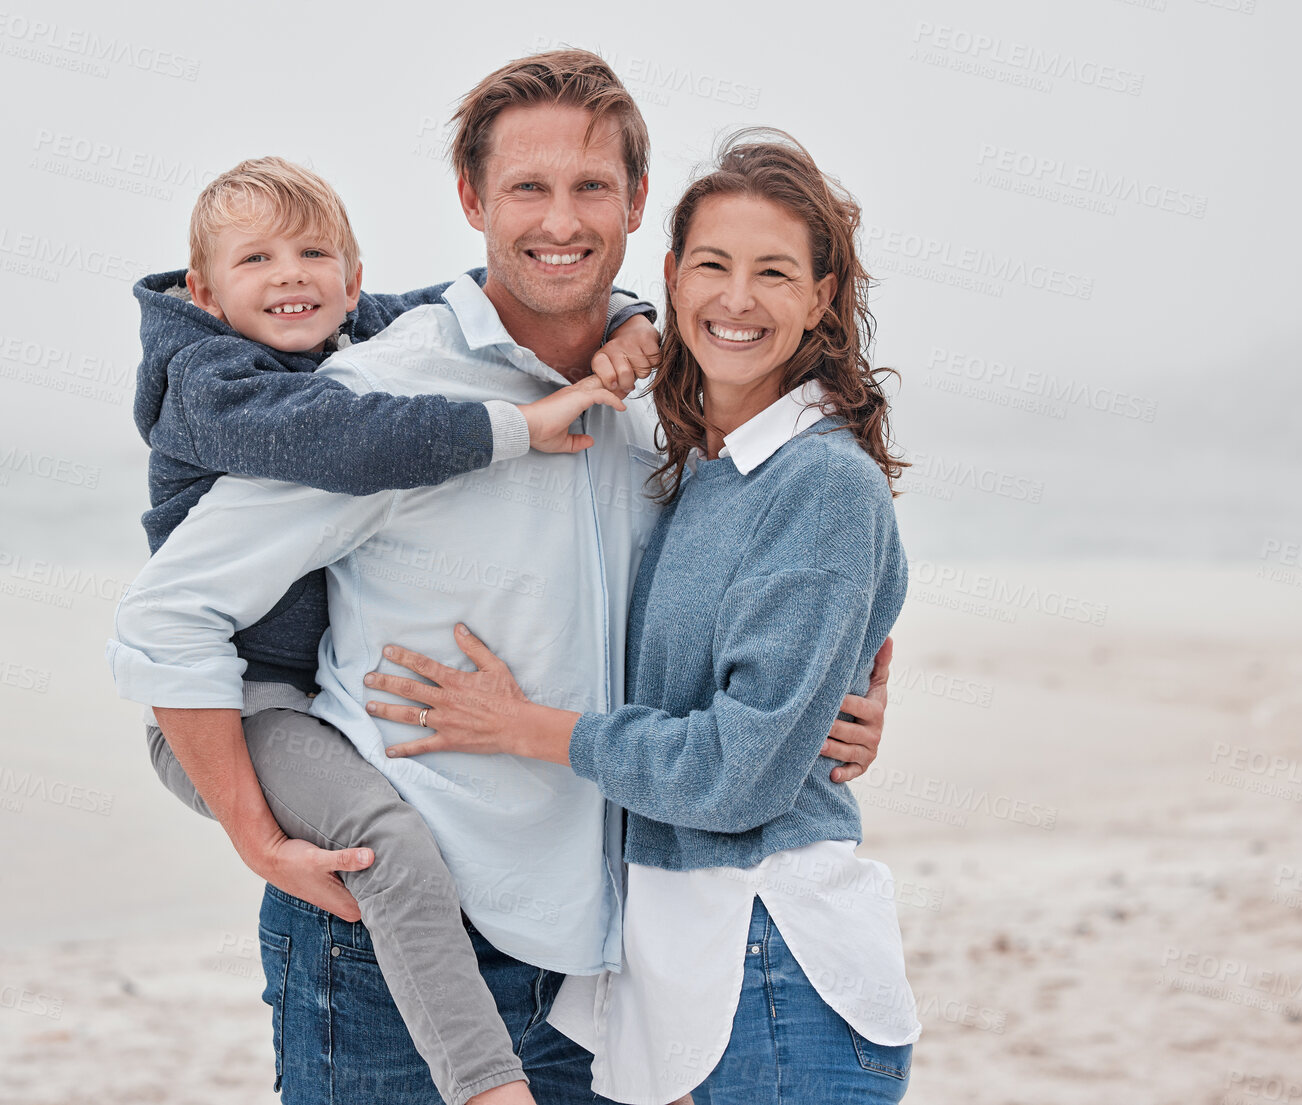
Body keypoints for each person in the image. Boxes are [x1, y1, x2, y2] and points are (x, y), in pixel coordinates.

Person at [109, 53, 892, 1105]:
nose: (559, 220)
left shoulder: (663, 396)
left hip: (600, 960)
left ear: (635, 204)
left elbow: (747, 588)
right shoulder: (387, 396)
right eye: (526, 187)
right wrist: (256, 830)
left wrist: (828, 709)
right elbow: (171, 615)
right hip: (381, 943)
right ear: (473, 199)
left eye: (589, 187)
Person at [369, 130, 920, 1104]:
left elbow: (737, 774)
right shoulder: (707, 463)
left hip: (771, 961)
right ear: (669, 276)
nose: (736, 299)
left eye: (774, 272)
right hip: (680, 960)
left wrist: (519, 727)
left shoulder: (819, 479)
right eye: (711, 264)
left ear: (822, 299)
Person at [125, 153, 662, 1105]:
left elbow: (473, 301)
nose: (290, 274)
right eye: (257, 260)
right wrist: (513, 428)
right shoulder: (216, 381)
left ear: (353, 280)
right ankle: (485, 1084)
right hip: (236, 704)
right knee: (390, 847)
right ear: (204, 295)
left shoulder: (350, 331)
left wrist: (628, 315)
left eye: (314, 252)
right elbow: (352, 441)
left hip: (332, 727)